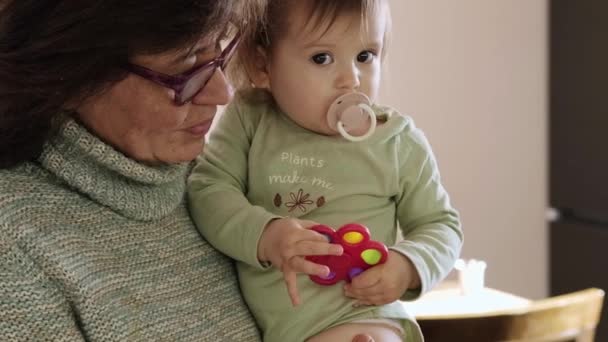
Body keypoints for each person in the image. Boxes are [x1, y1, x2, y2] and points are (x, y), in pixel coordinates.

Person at [187, 0, 464, 341]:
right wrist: (266, 235)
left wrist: (408, 267)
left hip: (362, 318)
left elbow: (441, 225)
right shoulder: (251, 118)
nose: (351, 80)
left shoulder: (395, 141)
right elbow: (208, 188)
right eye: (322, 58)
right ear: (263, 65)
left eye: (366, 56)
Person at [0, 0, 270, 340]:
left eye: (217, 48)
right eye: (185, 68)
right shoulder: (13, 246)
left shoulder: (224, 174)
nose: (222, 93)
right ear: (70, 76)